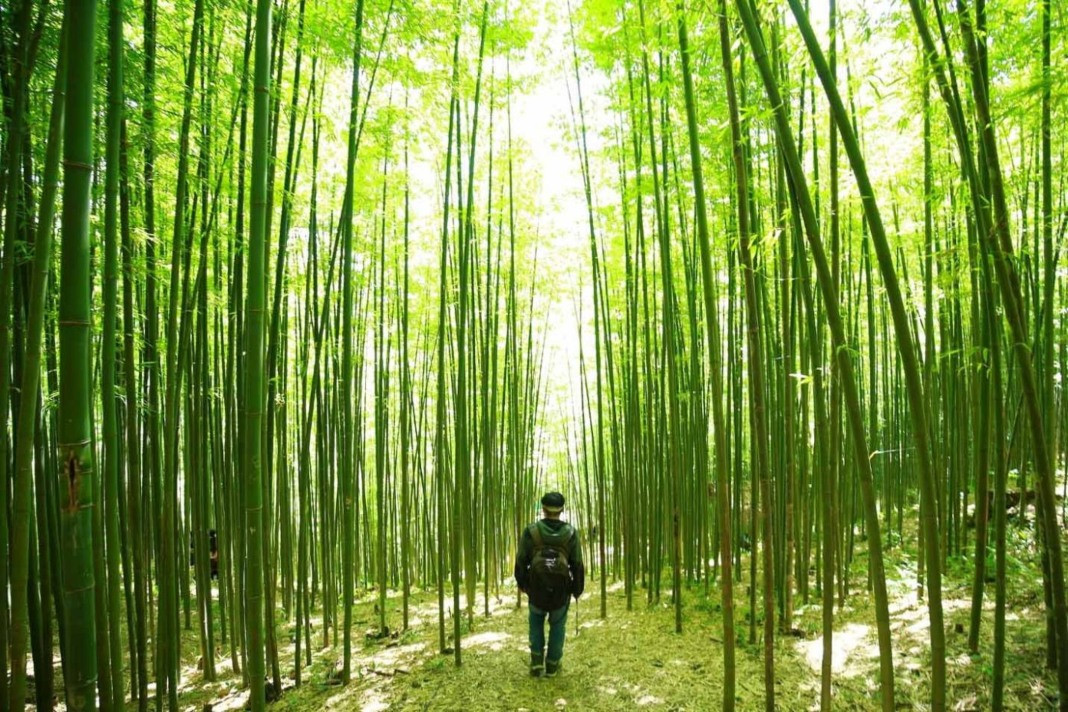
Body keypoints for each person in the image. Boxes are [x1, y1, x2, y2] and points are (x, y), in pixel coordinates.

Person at [514, 491, 585, 678]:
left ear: (543, 509)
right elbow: (577, 564)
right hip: (561, 592)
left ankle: (537, 663)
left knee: (536, 623)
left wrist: (523, 584)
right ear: (561, 510)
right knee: (558, 626)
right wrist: (577, 590)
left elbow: (521, 561)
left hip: (536, 589)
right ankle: (552, 665)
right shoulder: (570, 533)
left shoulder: (531, 532)